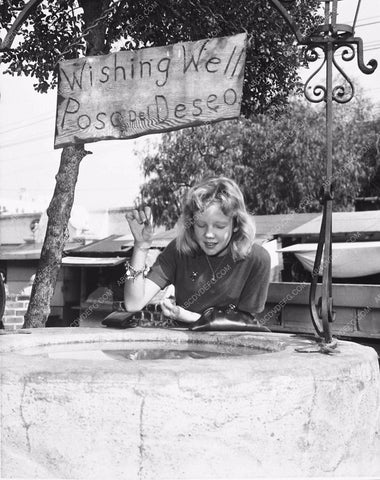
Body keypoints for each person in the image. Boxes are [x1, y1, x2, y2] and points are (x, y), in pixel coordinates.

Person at [124, 177, 271, 325]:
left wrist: (190, 317)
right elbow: (133, 304)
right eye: (201, 225)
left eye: (219, 226)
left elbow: (247, 323)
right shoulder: (178, 251)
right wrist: (141, 247)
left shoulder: (257, 259)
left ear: (236, 225)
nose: (208, 234)